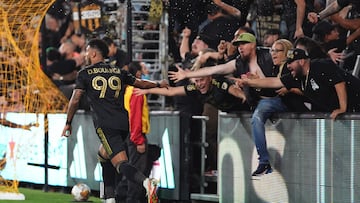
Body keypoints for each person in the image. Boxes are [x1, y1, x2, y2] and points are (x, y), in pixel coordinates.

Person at [61, 38, 168, 203]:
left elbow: (75, 100)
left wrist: (68, 122)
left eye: (87, 51)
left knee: (120, 163)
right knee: (103, 156)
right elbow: (140, 83)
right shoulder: (118, 71)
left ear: (94, 52)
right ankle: (109, 198)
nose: (86, 54)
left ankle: (147, 183)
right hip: (123, 123)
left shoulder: (84, 74)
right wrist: (158, 84)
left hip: (106, 124)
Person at [235, 48, 360, 119]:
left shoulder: (321, 65)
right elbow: (274, 81)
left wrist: (342, 108)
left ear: (301, 61)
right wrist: (249, 82)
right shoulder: (297, 77)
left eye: (291, 62)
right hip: (349, 111)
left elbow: (339, 83)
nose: (288, 66)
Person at [169, 32, 273, 109]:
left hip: (269, 100)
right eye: (239, 45)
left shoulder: (268, 56)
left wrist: (216, 55)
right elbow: (213, 70)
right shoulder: (238, 62)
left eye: (243, 44)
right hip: (245, 106)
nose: (240, 47)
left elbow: (232, 88)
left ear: (253, 44)